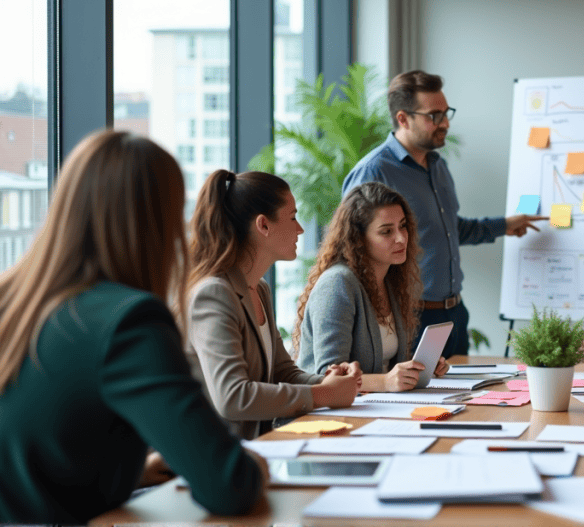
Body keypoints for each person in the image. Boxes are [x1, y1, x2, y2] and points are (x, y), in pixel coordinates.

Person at [0, 131, 265, 523]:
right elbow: (229, 485)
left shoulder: (12, 299)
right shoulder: (128, 321)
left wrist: (135, 471)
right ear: (157, 224)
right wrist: (256, 465)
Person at [342, 70, 545, 357]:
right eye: (434, 116)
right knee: (416, 401)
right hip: (407, 316)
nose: (445, 123)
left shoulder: (438, 166)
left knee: (463, 399)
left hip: (454, 315)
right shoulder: (373, 171)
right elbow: (353, 249)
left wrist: (505, 226)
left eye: (446, 113)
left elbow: (451, 230)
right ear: (403, 118)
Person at [187, 170, 362, 440]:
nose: (301, 228)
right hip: (213, 456)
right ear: (263, 225)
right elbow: (232, 396)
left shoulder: (259, 289)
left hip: (258, 447)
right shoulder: (213, 294)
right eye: (292, 217)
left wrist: (328, 382)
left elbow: (282, 371)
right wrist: (324, 394)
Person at [294, 182, 450, 389]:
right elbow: (328, 375)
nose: (401, 238)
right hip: (329, 413)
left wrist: (418, 367)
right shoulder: (337, 284)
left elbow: (386, 363)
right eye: (386, 232)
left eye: (403, 226)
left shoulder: (391, 280)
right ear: (358, 238)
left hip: (373, 406)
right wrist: (386, 382)